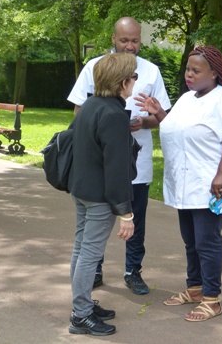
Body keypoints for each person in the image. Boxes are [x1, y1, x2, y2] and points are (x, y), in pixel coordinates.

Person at [135, 45, 222, 322]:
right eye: (187, 69)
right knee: (191, 241)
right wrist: (159, 112)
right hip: (184, 183)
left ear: (214, 73)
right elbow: (174, 127)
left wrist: (221, 175)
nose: (189, 74)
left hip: (210, 183)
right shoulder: (187, 99)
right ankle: (195, 288)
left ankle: (212, 299)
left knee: (207, 241)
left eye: (196, 71)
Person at [67, 17, 171, 295]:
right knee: (94, 230)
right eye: (124, 40)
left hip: (137, 160)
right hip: (102, 162)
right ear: (113, 39)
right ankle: (94, 272)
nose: (130, 45)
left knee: (135, 219)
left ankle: (132, 271)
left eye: (135, 40)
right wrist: (110, 126)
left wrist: (143, 122)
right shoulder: (95, 66)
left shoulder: (152, 71)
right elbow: (80, 112)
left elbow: (160, 115)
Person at [68, 53, 137, 336]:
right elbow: (117, 168)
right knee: (90, 254)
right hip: (99, 197)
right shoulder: (113, 115)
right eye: (133, 77)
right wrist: (126, 214)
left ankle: (81, 305)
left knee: (81, 248)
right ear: (123, 83)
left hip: (81, 190)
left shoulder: (89, 106)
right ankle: (80, 315)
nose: (135, 81)